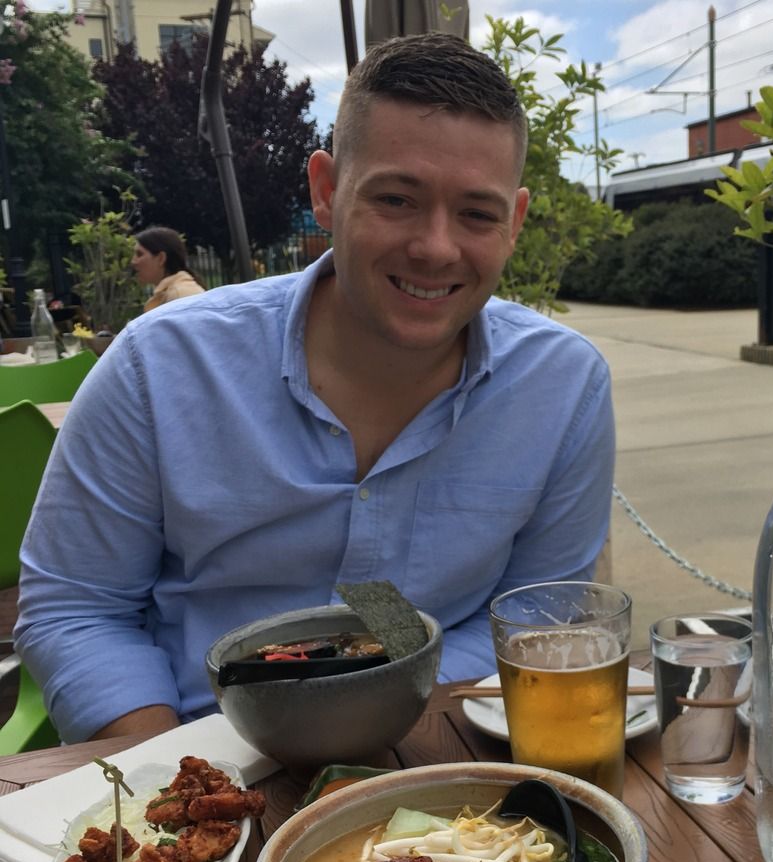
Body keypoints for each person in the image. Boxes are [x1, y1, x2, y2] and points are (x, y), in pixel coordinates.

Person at [15, 33, 615, 743]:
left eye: (477, 214)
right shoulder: (162, 365)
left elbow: (539, 620)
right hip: (197, 742)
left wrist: (377, 713)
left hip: (435, 749)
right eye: (396, 198)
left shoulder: (561, 386)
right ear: (326, 191)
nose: (435, 247)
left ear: (513, 223)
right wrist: (175, 782)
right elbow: (78, 609)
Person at [132, 227, 205, 311]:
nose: (133, 261)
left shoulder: (181, 295)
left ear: (161, 258)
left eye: (139, 254)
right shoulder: (172, 293)